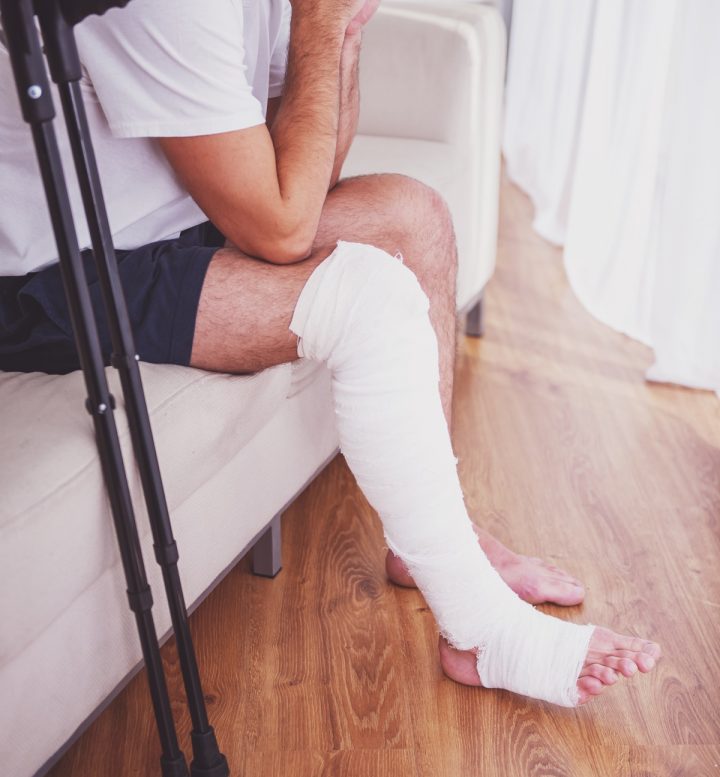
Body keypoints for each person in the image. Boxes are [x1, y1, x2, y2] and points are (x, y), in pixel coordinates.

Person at [0, 0, 659, 706]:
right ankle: (482, 627)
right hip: (62, 270)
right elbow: (284, 228)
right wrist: (319, 24)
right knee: (366, 293)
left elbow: (309, 167)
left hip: (184, 220)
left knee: (415, 220)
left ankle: (434, 540)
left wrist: (340, 40)